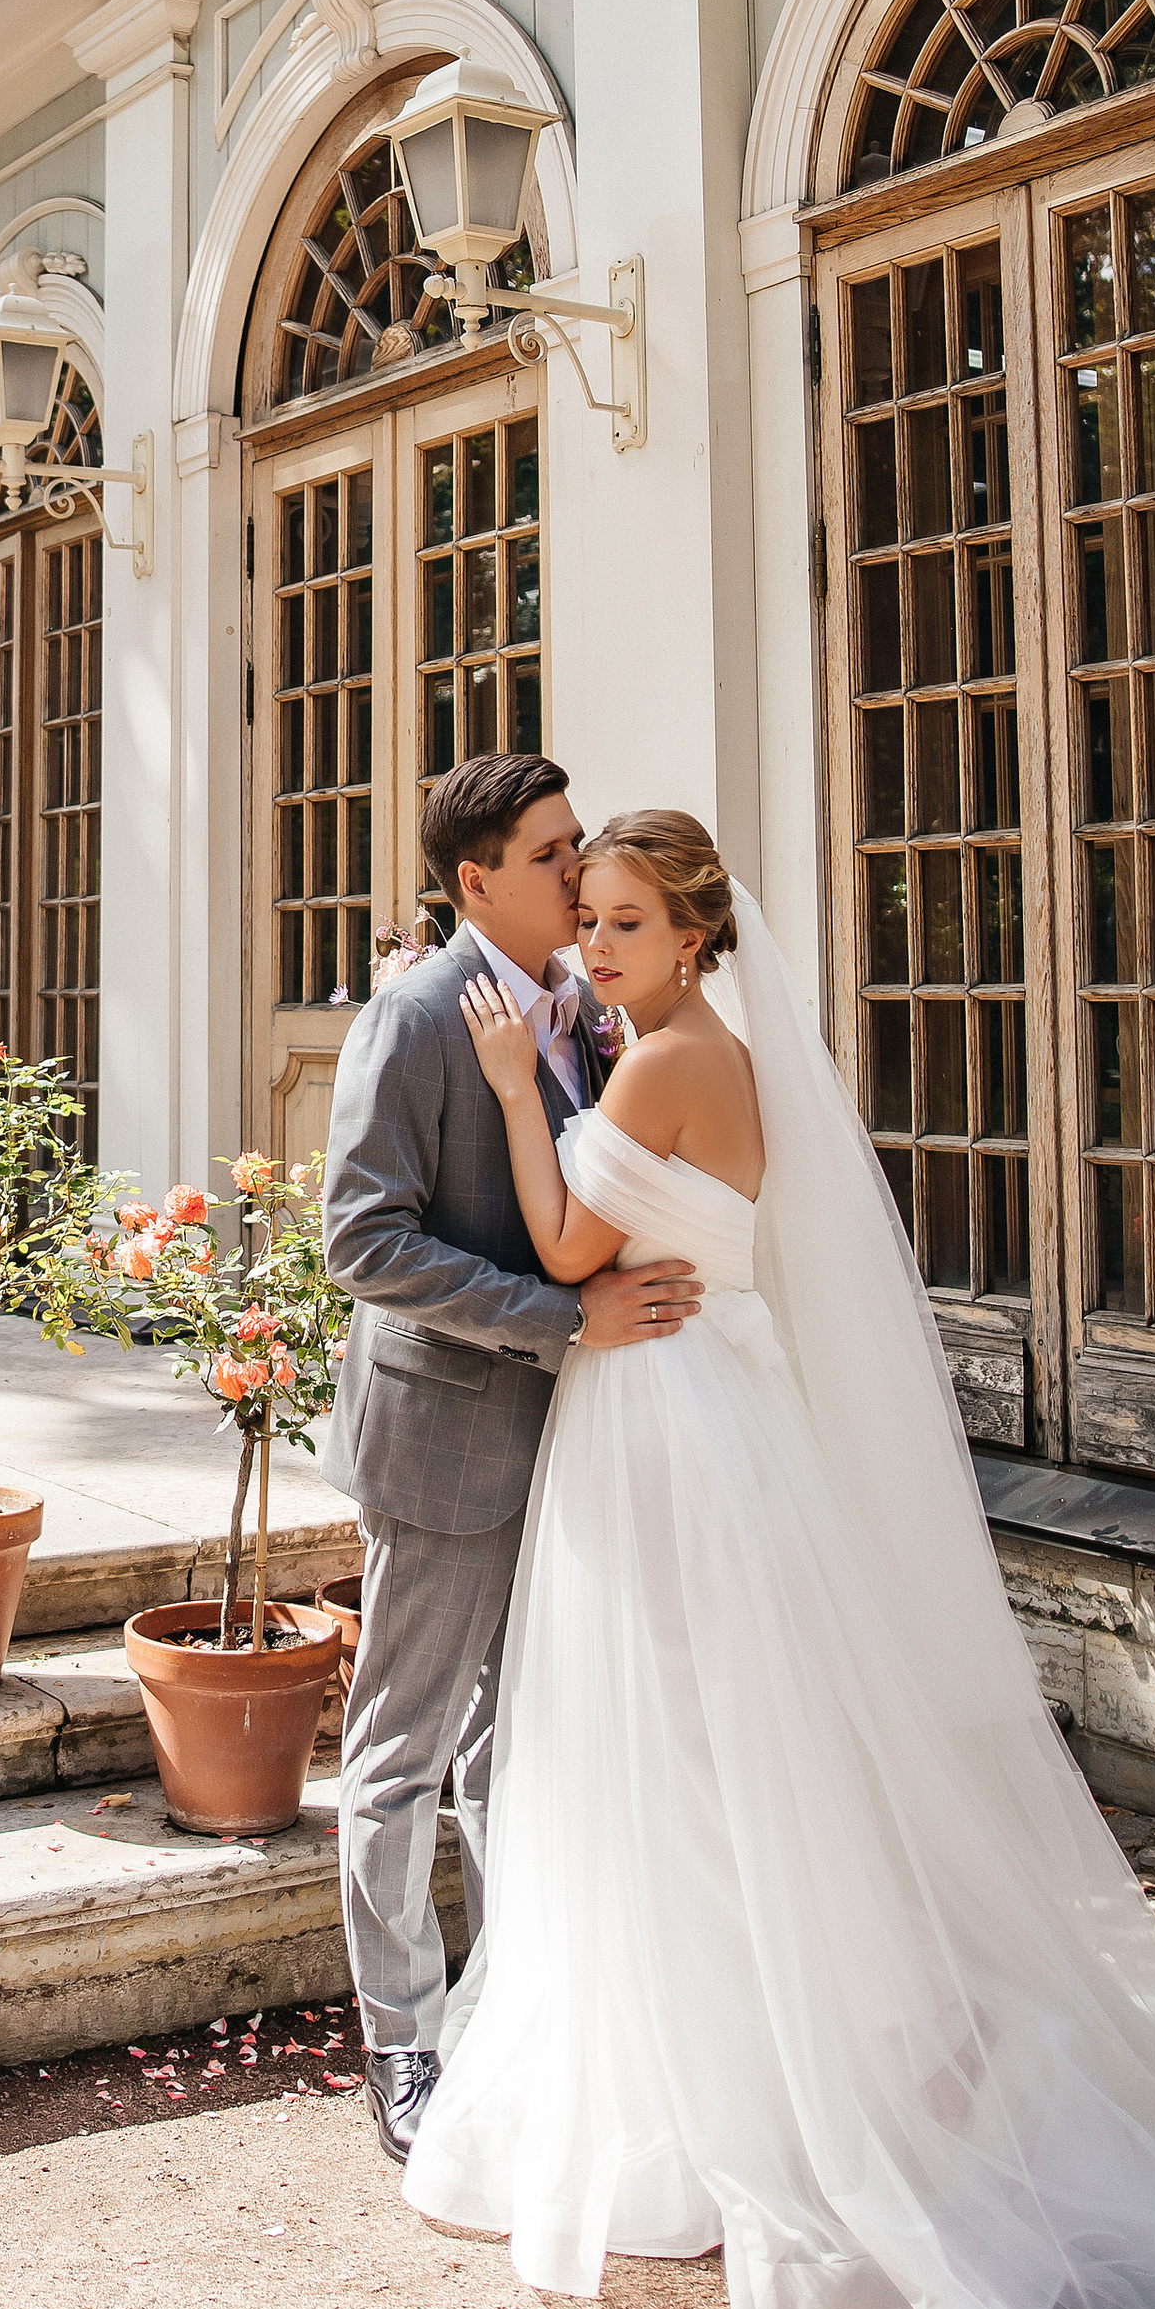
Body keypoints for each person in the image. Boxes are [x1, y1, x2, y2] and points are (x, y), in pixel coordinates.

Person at [402, 805, 1155, 2309]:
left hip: (666, 1429)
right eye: (587, 917)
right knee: (690, 1764)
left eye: (628, 924)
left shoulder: (663, 1062)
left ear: (701, 937)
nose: (593, 948)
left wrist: (517, 1091)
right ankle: (713, 2075)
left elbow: (577, 1244)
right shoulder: (681, 1042)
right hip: (684, 1405)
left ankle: (768, 2108)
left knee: (692, 1766)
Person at [318, 753, 702, 2172]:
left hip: (571, 1440)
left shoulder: (588, 1011)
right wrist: (562, 1319)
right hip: (444, 1438)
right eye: (551, 856)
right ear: (477, 881)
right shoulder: (419, 1010)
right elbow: (361, 1240)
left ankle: (508, 2007)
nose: (575, 871)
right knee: (403, 1747)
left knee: (515, 1743)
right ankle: (400, 2039)